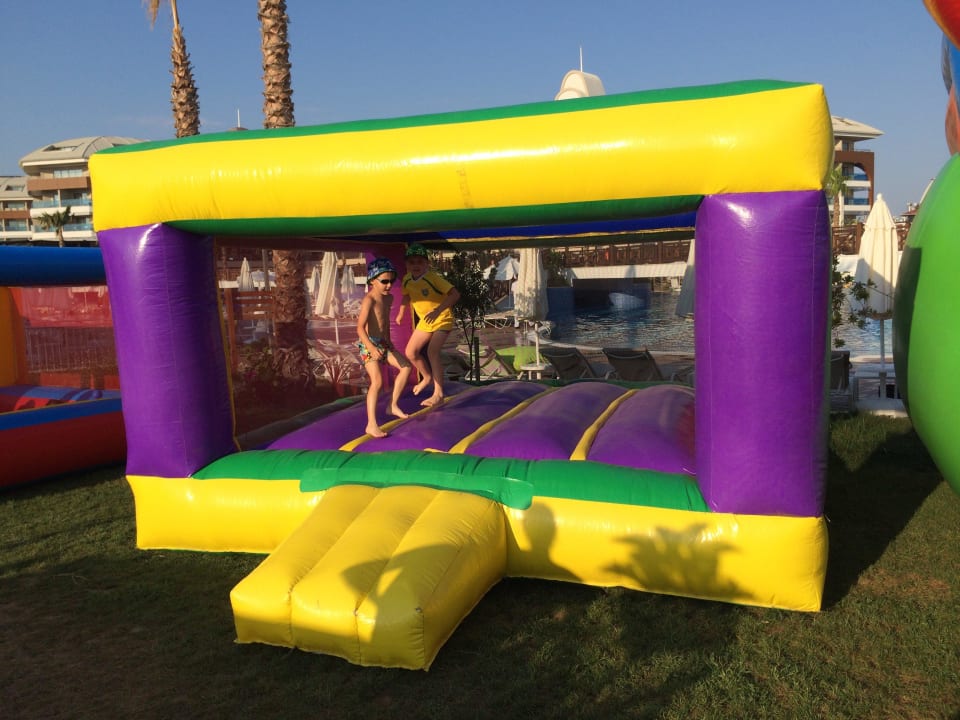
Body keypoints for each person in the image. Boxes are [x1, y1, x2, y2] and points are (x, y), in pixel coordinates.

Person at [395, 243, 460, 407]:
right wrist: (401, 313)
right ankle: (427, 376)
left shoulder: (433, 279)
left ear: (427, 264)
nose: (415, 266)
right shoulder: (407, 279)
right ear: (406, 264)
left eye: (420, 262)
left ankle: (438, 393)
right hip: (426, 321)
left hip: (442, 318)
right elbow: (406, 296)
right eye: (412, 262)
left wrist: (438, 311)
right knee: (411, 352)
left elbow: (454, 294)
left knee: (432, 351)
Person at [356, 257, 411, 437]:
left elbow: (384, 322)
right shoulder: (369, 300)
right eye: (384, 281)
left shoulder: (389, 298)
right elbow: (360, 328)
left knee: (406, 367)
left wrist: (389, 342)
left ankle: (392, 405)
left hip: (383, 342)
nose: (389, 285)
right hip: (369, 343)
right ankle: (371, 424)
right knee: (377, 381)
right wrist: (371, 348)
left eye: (391, 281)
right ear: (372, 280)